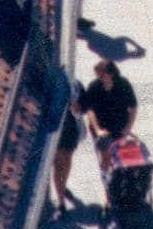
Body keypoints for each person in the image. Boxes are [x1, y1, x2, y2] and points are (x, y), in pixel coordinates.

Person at [51, 50, 134, 212]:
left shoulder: (78, 86)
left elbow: (84, 107)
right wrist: (97, 128)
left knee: (66, 162)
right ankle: (61, 201)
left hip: (72, 131)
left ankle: (63, 186)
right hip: (59, 131)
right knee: (59, 164)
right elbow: (89, 110)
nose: (97, 78)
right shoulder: (93, 87)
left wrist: (77, 107)